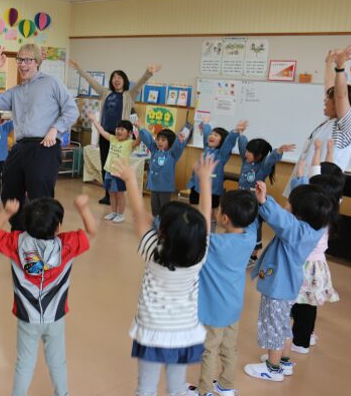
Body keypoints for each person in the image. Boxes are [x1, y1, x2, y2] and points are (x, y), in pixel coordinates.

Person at [113, 155, 215, 396]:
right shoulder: (199, 254)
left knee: (146, 388)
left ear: (163, 233)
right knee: (176, 386)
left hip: (152, 329)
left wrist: (130, 180)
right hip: (183, 331)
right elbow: (205, 217)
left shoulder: (154, 251)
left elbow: (139, 214)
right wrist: (205, 180)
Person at [0, 195, 97, 396]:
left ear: (26, 224)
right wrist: (83, 208)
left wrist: (7, 213)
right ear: (58, 228)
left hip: (27, 318)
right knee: (57, 361)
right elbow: (91, 231)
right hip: (55, 317)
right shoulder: (67, 244)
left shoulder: (16, 242)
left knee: (24, 364)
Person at [243, 181, 332, 382]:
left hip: (278, 288)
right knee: (283, 324)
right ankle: (283, 361)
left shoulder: (297, 232)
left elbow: (281, 220)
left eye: (290, 202)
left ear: (301, 213)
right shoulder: (313, 229)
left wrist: (264, 201)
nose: (286, 204)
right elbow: (286, 219)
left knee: (273, 326)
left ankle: (272, 369)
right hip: (288, 287)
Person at [0, 44, 79, 230]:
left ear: (37, 62)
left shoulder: (52, 83)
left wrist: (55, 129)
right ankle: (20, 232)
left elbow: (71, 110)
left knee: (40, 195)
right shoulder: (16, 91)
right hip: (21, 147)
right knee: (9, 193)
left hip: (45, 144)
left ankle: (44, 236)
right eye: (20, 60)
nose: (23, 64)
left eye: (28, 60)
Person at [186, 190, 259, 396]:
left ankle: (205, 390)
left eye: (219, 210)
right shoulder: (250, 237)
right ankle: (226, 386)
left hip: (214, 309)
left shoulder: (213, 245)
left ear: (224, 218)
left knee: (209, 350)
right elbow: (252, 219)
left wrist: (205, 183)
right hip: (234, 306)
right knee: (229, 346)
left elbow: (201, 226)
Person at [69, 59, 161, 205]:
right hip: (106, 134)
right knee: (105, 163)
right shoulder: (105, 92)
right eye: (114, 77)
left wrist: (148, 73)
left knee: (117, 166)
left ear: (124, 81)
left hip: (121, 137)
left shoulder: (129, 95)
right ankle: (108, 194)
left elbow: (140, 84)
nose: (116, 80)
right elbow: (91, 81)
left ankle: (117, 193)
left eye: (119, 77)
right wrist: (79, 69)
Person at [284, 46, 351, 196]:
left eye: (328, 99)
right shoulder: (331, 121)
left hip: (320, 191)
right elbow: (330, 87)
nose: (324, 100)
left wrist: (340, 68)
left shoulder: (347, 126)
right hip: (306, 184)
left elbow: (340, 94)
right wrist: (328, 63)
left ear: (336, 103)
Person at [289, 139, 341, 355]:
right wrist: (325, 150)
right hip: (318, 266)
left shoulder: (312, 213)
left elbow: (316, 179)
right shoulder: (333, 206)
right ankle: (306, 335)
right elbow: (329, 177)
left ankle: (300, 342)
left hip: (304, 265)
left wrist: (301, 175)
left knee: (298, 305)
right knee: (308, 304)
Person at [235, 126, 296, 266]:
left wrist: (279, 151)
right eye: (247, 150)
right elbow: (242, 145)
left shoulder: (262, 167)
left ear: (259, 155)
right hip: (241, 201)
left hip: (254, 203)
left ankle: (254, 255)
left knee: (254, 226)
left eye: (250, 152)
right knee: (242, 224)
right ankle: (243, 249)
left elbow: (270, 160)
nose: (246, 153)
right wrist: (241, 133)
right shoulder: (245, 161)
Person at [186, 118, 241, 226]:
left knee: (209, 215)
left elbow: (229, 141)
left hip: (212, 190)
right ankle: (196, 230)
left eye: (216, 135)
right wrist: (206, 124)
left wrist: (235, 131)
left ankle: (209, 233)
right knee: (195, 212)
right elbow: (206, 133)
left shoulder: (222, 154)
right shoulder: (207, 147)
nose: (211, 136)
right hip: (196, 186)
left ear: (222, 141)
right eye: (212, 134)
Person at [88, 113, 141, 223]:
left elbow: (139, 140)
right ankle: (113, 212)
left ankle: (120, 214)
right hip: (109, 170)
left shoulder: (129, 143)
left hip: (120, 173)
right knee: (111, 192)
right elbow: (102, 131)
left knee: (119, 194)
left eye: (122, 129)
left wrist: (140, 128)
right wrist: (94, 121)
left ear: (129, 133)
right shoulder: (113, 139)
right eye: (118, 128)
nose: (119, 131)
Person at [138, 127, 189, 216]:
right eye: (158, 139)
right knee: (154, 207)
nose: (159, 142)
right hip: (154, 186)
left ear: (170, 142)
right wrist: (140, 128)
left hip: (165, 187)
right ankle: (156, 223)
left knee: (164, 208)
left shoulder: (172, 154)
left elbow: (177, 148)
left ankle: (163, 225)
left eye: (163, 140)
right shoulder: (154, 150)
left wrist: (180, 140)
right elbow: (148, 139)